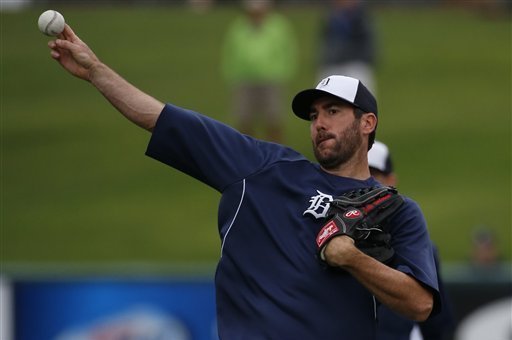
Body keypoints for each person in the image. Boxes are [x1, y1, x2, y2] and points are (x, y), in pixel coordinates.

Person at [47, 25, 440, 339]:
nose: (319, 123)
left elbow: (420, 303)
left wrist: (353, 258)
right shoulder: (265, 168)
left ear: (367, 123)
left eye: (333, 111)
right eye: (314, 115)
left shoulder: (395, 211)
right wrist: (95, 72)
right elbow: (161, 118)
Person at [368, 141, 455, 340]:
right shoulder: (322, 241)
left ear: (391, 181)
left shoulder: (420, 250)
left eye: (372, 175)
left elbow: (436, 325)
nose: (364, 182)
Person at [220, 0, 297, 143]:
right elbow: (229, 52)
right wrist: (231, 75)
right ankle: (246, 156)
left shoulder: (279, 25)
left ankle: (276, 156)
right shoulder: (238, 27)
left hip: (272, 79)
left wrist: (284, 73)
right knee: (244, 120)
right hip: (243, 79)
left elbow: (289, 51)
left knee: (274, 120)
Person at [317, 0, 377, 94]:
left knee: (361, 101)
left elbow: (369, 43)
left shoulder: (362, 18)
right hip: (332, 65)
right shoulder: (331, 17)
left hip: (356, 64)